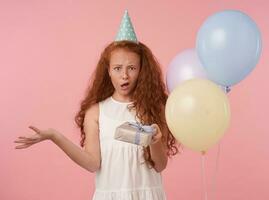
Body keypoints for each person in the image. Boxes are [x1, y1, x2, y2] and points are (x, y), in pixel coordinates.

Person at [14, 10, 178, 200]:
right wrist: (54, 135)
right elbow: (92, 163)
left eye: (131, 68)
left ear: (142, 71)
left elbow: (160, 165)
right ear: (108, 71)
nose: (124, 75)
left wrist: (155, 142)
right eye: (117, 68)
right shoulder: (96, 112)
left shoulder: (153, 108)